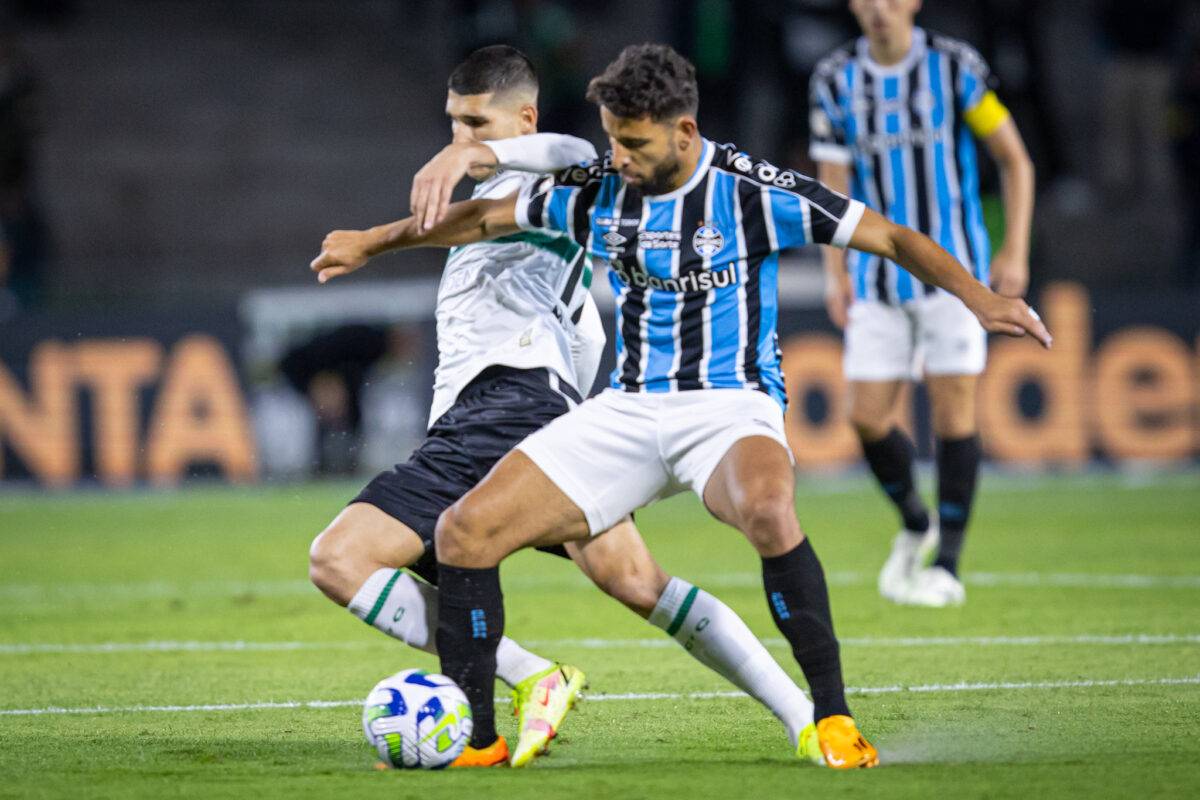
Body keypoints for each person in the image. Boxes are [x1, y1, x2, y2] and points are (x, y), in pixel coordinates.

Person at [311, 43, 1049, 771]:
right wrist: (371, 244)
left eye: (633, 144)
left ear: (684, 132)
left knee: (767, 512)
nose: (619, 158)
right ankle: (480, 743)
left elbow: (888, 235)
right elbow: (479, 221)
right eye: (612, 140)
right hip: (628, 408)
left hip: (728, 404)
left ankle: (831, 720)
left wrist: (979, 298)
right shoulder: (600, 190)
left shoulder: (753, 192)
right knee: (465, 532)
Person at [309, 45, 829, 770]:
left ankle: (520, 687)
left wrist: (470, 156)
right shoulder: (514, 215)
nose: (461, 137)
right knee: (638, 582)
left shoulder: (555, 175)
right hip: (522, 412)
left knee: (340, 558)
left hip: (500, 407)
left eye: (476, 123)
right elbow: (584, 341)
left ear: (524, 120)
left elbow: (569, 148)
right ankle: (806, 719)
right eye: (453, 123)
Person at [809, 0, 1036, 606]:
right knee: (866, 419)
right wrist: (835, 271)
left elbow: (1014, 159)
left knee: (954, 412)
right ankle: (916, 519)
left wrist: (1014, 249)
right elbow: (831, 186)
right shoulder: (834, 79)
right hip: (876, 278)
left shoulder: (955, 67)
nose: (878, 10)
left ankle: (949, 565)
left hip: (955, 276)